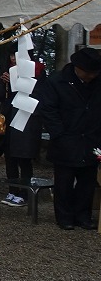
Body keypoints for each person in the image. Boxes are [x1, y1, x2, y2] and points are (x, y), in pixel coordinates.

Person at [36, 47, 101, 230]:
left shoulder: (97, 82)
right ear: (77, 67)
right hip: (65, 138)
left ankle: (83, 216)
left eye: (94, 73)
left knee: (87, 181)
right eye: (87, 73)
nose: (90, 77)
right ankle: (64, 217)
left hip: (92, 138)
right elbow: (47, 110)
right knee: (64, 181)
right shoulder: (57, 81)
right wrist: (59, 133)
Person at [0, 51, 44, 206]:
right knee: (10, 156)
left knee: (24, 157)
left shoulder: (38, 71)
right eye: (11, 56)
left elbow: (37, 95)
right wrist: (4, 83)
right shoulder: (9, 71)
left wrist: (15, 83)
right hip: (9, 117)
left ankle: (26, 193)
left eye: (17, 55)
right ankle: (12, 191)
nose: (13, 59)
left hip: (27, 119)